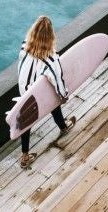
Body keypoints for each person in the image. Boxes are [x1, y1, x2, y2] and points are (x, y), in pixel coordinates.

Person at [18, 15, 76, 169]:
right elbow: (57, 78)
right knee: (55, 99)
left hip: (24, 92)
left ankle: (25, 155)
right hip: (39, 94)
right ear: (50, 36)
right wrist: (64, 96)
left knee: (27, 120)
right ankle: (63, 127)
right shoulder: (50, 58)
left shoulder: (24, 47)